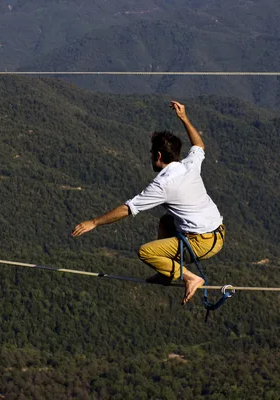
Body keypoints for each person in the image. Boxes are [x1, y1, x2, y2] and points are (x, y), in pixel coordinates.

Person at [71, 101, 225, 305]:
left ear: (158, 156)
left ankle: (189, 277)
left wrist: (94, 222)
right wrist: (184, 118)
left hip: (201, 243)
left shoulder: (163, 184)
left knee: (145, 252)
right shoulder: (189, 165)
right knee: (166, 221)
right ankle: (168, 272)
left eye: (152, 153)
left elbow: (128, 208)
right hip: (218, 233)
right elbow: (199, 145)